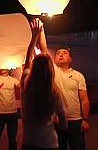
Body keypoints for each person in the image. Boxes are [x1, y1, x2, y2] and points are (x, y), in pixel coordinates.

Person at [37, 19, 89, 150]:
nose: (61, 55)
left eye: (64, 53)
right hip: (57, 121)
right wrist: (41, 30)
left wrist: (85, 119)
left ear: (70, 59)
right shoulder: (53, 71)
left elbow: (84, 99)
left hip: (75, 121)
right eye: (58, 53)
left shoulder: (78, 76)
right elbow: (44, 49)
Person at [21, 18, 67, 149]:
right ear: (50, 70)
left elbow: (28, 57)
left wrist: (35, 35)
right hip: (49, 144)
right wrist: (55, 120)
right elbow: (64, 124)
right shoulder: (54, 93)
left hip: (29, 143)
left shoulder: (26, 86)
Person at [0, 67, 21, 150]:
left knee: (12, 140)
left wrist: (23, 72)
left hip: (12, 112)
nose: (3, 68)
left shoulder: (13, 80)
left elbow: (22, 86)